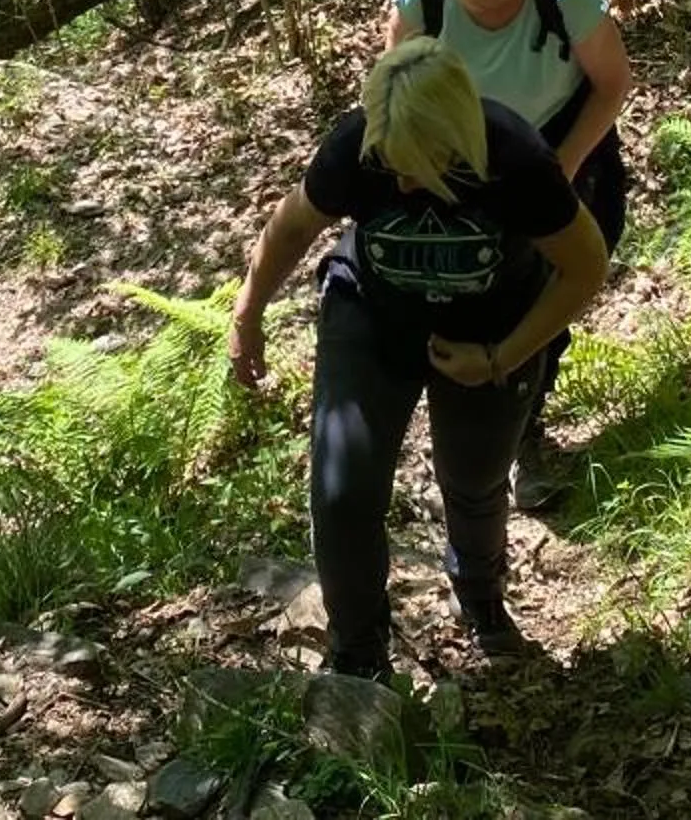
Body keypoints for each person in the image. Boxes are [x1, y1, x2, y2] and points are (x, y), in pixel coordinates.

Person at [228, 38, 610, 676]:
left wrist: (499, 357)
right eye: (391, 162)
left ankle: (482, 603)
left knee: (474, 479)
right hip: (372, 320)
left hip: (493, 329)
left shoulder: (514, 158)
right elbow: (291, 225)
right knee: (342, 487)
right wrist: (247, 313)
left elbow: (585, 267)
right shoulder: (358, 146)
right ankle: (359, 656)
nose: (401, 180)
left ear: (455, 138)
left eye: (418, 166)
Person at [386, 0, 632, 507]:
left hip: (559, 136)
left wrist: (563, 165)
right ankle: (499, 433)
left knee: (562, 278)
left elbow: (612, 83)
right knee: (494, 285)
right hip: (465, 144)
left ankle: (521, 419)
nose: (495, 9)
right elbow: (399, 87)